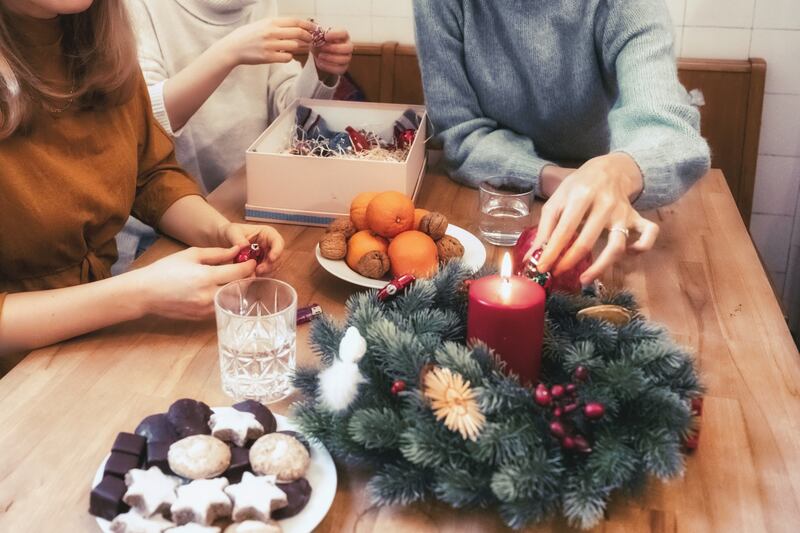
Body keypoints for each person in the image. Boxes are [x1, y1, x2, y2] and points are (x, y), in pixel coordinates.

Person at [0, 0, 284, 365]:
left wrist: (221, 232)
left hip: (91, 346)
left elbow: (149, 174)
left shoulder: (99, 49)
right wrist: (139, 293)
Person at [413, 0, 711, 284]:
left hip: (608, 201)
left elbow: (669, 130)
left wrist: (620, 172)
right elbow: (460, 133)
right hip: (494, 198)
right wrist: (560, 180)